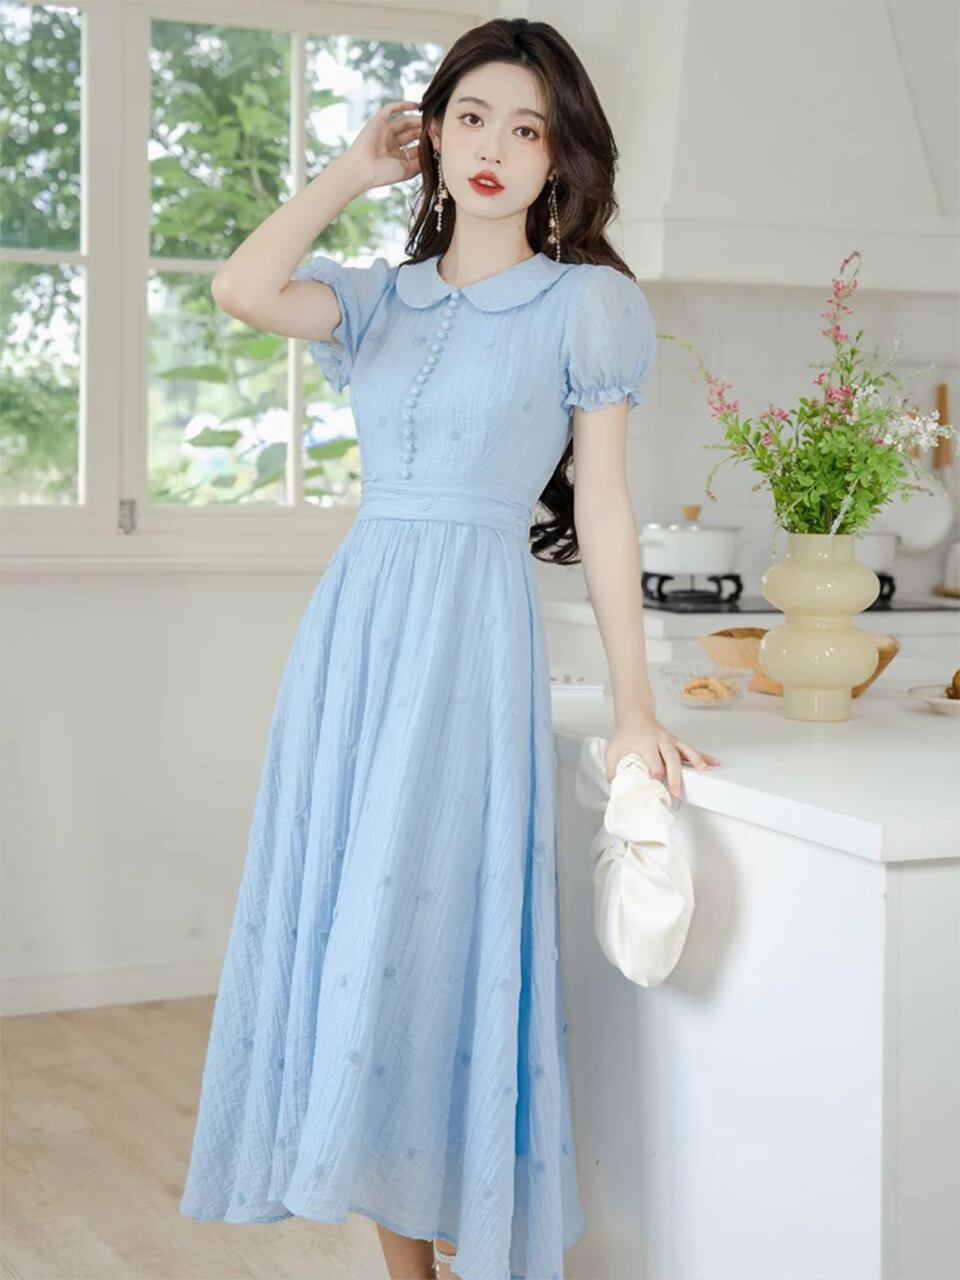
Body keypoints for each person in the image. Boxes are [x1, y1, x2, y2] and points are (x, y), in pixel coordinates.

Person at [179, 16, 721, 1280]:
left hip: (472, 638)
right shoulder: (380, 298)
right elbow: (241, 288)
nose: (493, 149)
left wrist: (636, 707)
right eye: (471, 118)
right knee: (356, 932)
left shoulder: (589, 305)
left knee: (431, 942)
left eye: (527, 129)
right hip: (355, 638)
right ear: (433, 134)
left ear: (559, 157)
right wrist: (350, 172)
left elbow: (605, 509)